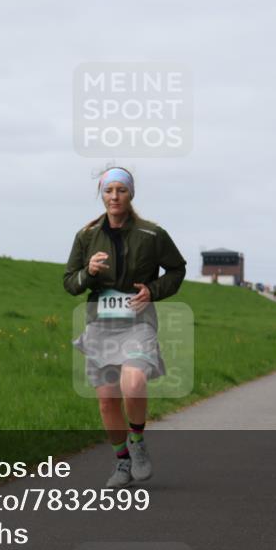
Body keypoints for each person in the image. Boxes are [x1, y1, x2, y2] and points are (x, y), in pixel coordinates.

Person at [63, 167, 186, 488]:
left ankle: (138, 440)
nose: (114, 197)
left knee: (133, 383)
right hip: (100, 325)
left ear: (131, 194)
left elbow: (176, 269)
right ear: (101, 195)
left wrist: (153, 290)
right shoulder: (86, 236)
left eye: (121, 190)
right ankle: (121, 462)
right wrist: (88, 272)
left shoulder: (151, 234)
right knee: (106, 400)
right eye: (109, 191)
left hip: (137, 322)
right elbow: (70, 283)